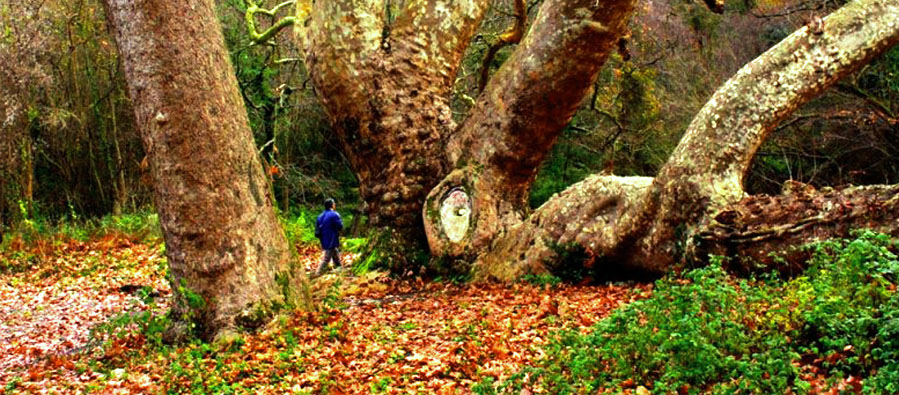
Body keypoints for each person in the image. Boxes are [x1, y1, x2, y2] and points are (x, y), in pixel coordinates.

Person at [314, 198, 343, 276]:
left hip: (323, 239)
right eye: (334, 204)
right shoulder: (334, 214)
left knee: (334, 251)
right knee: (327, 257)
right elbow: (340, 226)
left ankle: (339, 266)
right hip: (331, 237)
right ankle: (318, 272)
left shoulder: (320, 216)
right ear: (332, 205)